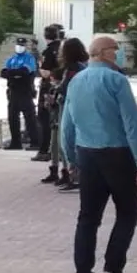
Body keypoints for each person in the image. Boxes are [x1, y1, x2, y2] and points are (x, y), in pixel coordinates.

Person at [61, 35, 137, 273]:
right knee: (127, 212)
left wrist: (70, 159)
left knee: (88, 217)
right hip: (118, 154)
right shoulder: (117, 81)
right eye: (115, 49)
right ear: (100, 52)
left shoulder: (76, 81)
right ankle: (113, 269)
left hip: (87, 153)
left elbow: (67, 123)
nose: (118, 54)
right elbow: (132, 123)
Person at [44, 37, 90, 188]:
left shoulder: (73, 69)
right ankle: (73, 173)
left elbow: (66, 87)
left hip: (70, 108)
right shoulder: (83, 67)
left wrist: (55, 90)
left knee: (68, 140)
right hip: (78, 107)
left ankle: (75, 174)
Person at [0, 37, 40, 150]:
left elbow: (26, 72)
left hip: (26, 91)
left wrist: (12, 74)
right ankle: (15, 142)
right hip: (13, 92)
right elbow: (3, 73)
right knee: (12, 118)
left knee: (30, 118)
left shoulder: (30, 58)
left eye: (22, 44)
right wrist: (17, 74)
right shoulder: (12, 59)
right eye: (18, 44)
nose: (20, 46)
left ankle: (35, 142)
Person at [33, 24, 66, 163]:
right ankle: (61, 151)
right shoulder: (64, 49)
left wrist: (40, 65)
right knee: (60, 119)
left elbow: (45, 72)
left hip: (48, 88)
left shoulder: (48, 51)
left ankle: (44, 150)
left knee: (45, 119)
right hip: (63, 86)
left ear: (45, 36)